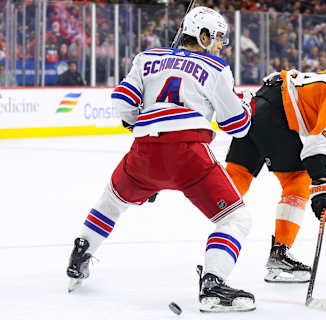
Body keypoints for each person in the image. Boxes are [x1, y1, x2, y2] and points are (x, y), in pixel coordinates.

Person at [66, 6, 256, 313]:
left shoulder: (146, 58)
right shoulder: (217, 68)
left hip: (144, 152)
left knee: (111, 203)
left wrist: (133, 122)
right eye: (219, 37)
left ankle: (81, 252)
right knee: (236, 219)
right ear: (203, 36)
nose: (222, 44)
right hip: (189, 154)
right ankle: (213, 283)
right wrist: (247, 105)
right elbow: (237, 126)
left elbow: (122, 101)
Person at [225, 54, 326, 283]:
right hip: (277, 113)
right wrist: (322, 185)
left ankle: (216, 255)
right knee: (298, 181)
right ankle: (279, 254)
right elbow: (314, 149)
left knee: (231, 185)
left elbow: (321, 135)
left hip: (260, 102)